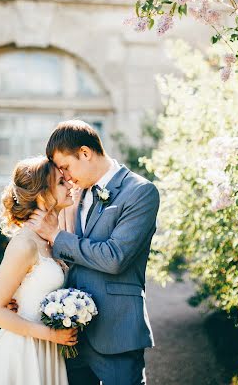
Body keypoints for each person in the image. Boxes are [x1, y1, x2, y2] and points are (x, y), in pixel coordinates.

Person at [27, 120, 160, 385]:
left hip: (116, 331)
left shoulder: (140, 192)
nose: (65, 176)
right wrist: (24, 297)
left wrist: (57, 236)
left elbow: (115, 257)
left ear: (85, 153)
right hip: (70, 332)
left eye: (65, 167)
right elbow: (60, 259)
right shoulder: (73, 195)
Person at [0, 156, 77, 385]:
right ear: (41, 194)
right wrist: (50, 334)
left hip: (48, 349)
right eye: (60, 182)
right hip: (22, 352)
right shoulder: (25, 243)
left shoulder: (49, 240)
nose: (69, 184)